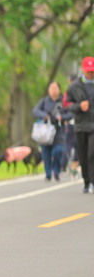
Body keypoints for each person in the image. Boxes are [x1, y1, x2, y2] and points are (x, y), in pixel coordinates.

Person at [65, 57, 94, 193]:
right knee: (83, 155)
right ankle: (86, 182)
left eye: (92, 71)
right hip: (80, 125)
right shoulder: (74, 86)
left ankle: (93, 181)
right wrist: (79, 106)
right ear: (83, 70)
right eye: (88, 71)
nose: (90, 74)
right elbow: (66, 104)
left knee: (92, 153)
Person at [32, 81, 71, 182]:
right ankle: (48, 174)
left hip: (59, 131)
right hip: (46, 131)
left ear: (59, 89)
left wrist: (61, 117)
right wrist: (45, 115)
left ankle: (56, 171)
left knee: (58, 151)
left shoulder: (63, 101)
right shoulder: (44, 101)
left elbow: (71, 114)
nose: (53, 90)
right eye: (51, 88)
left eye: (55, 88)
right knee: (46, 152)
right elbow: (35, 111)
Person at [62, 74, 79, 177]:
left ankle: (65, 165)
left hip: (72, 122)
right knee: (77, 146)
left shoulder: (69, 91)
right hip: (80, 123)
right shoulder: (81, 89)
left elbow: (65, 106)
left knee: (69, 145)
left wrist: (64, 117)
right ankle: (74, 167)